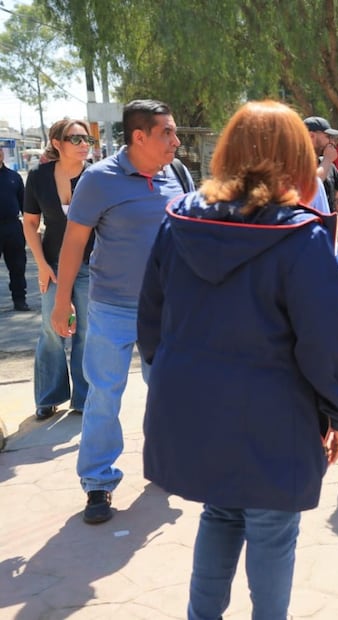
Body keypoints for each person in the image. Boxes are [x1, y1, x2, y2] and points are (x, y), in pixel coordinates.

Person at [137, 100, 338, 620]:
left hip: (194, 406)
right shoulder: (301, 237)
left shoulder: (178, 222)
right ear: (295, 157)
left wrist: (177, 380)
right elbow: (324, 346)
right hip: (274, 417)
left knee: (220, 512)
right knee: (272, 529)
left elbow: (150, 322)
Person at [52, 99, 194, 524]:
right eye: (167, 132)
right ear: (138, 137)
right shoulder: (98, 179)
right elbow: (74, 243)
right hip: (112, 306)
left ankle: (165, 464)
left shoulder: (178, 174)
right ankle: (97, 482)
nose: (176, 140)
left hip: (167, 308)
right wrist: (62, 303)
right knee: (104, 394)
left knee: (168, 392)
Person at [22, 119, 95, 420]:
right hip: (52, 265)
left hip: (91, 265)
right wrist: (40, 265)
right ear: (57, 143)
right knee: (52, 331)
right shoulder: (38, 177)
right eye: (75, 139)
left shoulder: (96, 176)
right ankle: (48, 397)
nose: (83, 145)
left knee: (88, 333)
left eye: (86, 139)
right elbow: (29, 223)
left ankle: (83, 397)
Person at [304, 116, 338, 261]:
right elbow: (311, 186)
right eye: (327, 137)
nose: (332, 142)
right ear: (311, 136)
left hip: (335, 243)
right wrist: (327, 160)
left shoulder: (329, 167)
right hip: (310, 241)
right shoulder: (297, 163)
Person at [0, 148, 29, 312]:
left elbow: (25, 204)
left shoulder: (14, 177)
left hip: (12, 227)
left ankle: (20, 300)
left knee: (18, 266)